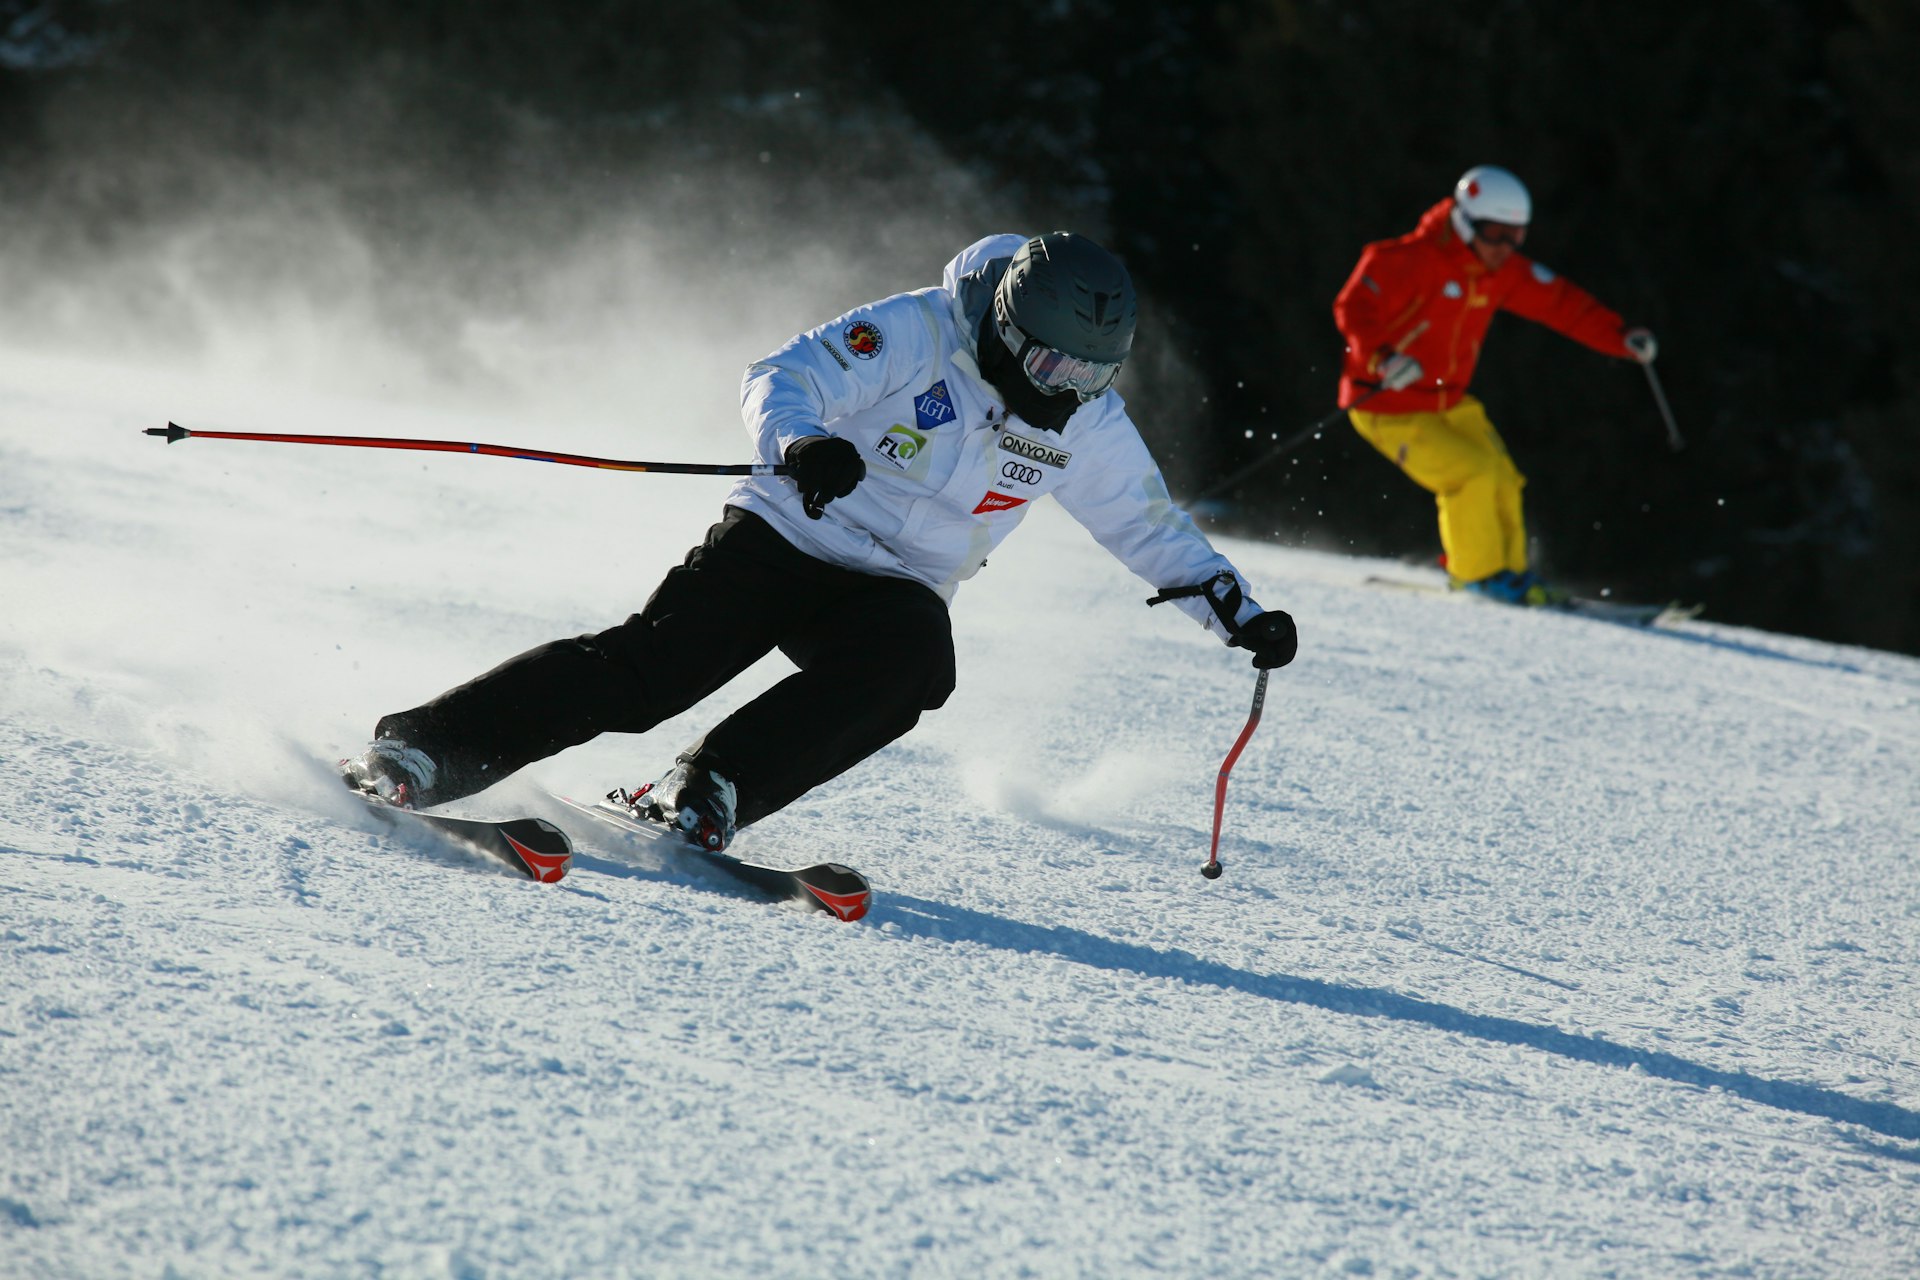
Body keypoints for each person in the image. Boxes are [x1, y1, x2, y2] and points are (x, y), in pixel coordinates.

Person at [341, 232, 1298, 852]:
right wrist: (803, 443)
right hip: (794, 529)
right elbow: (781, 376)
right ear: (1006, 325)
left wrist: (1239, 615)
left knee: (918, 660)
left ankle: (707, 789)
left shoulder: (1083, 419)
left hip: (896, 585)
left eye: (1088, 372)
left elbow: (1148, 524)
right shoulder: (922, 330)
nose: (1061, 386)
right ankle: (425, 750)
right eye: (1047, 361)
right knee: (652, 675)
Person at [1332, 165, 1659, 604]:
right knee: (1472, 474)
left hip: (1448, 402)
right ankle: (1478, 577)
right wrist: (1384, 358)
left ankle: (1509, 575)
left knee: (1504, 477)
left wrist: (1619, 338)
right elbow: (1353, 306)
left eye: (1515, 236)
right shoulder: (1406, 259)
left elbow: (1560, 304)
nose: (1504, 247)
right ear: (1465, 223)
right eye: (1494, 233)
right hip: (1387, 406)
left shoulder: (1497, 271)